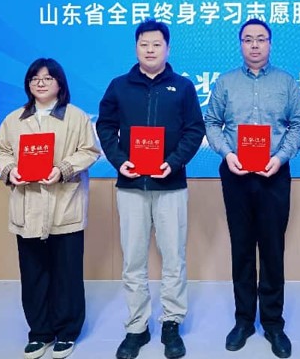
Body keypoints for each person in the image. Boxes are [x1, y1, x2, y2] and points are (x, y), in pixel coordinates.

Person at [96, 20, 205, 359]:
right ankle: (137, 326)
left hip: (171, 185)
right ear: (136, 48)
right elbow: (105, 126)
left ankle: (171, 322)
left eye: (157, 44)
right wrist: (120, 161)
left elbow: (194, 130)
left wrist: (173, 162)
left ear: (168, 49)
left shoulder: (183, 87)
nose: (150, 49)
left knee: (174, 258)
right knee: (133, 260)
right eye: (144, 44)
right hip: (131, 185)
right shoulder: (119, 86)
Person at [204, 18, 300, 359]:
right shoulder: (226, 82)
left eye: (261, 39)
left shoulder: (286, 82)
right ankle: (244, 320)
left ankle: (274, 323)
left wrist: (280, 158)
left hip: (274, 175)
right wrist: (227, 153)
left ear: (270, 43)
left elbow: (299, 125)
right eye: (248, 39)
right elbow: (211, 122)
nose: (254, 45)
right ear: (240, 44)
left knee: (273, 249)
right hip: (236, 174)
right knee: (243, 248)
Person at [0, 58, 101, 359]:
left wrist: (63, 169)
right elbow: (0, 152)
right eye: (35, 78)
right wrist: (10, 170)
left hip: (65, 205)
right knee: (33, 274)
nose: (40, 83)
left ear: (59, 83)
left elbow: (89, 151)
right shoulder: (14, 119)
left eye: (47, 78)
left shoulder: (76, 117)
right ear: (28, 84)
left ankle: (66, 332)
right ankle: (39, 333)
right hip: (27, 207)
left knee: (67, 274)